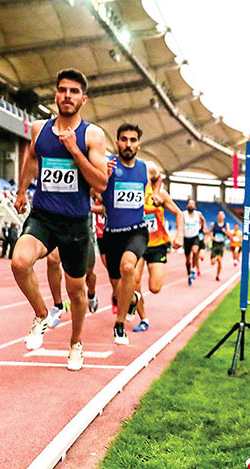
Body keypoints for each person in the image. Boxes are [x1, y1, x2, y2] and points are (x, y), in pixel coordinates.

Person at [12, 68, 108, 371]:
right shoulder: (39, 129)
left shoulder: (92, 135)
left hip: (76, 223)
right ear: (56, 94)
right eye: (62, 90)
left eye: (74, 91)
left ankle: (76, 343)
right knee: (19, 262)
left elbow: (101, 183)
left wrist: (73, 150)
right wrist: (21, 191)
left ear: (83, 99)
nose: (67, 96)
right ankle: (41, 314)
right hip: (43, 216)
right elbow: (31, 159)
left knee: (76, 291)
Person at [101, 122, 159, 345]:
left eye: (133, 140)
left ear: (139, 144)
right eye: (124, 139)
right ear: (117, 142)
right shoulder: (107, 164)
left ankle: (119, 325)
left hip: (137, 231)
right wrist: (103, 180)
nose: (128, 144)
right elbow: (96, 190)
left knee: (128, 268)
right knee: (118, 290)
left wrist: (154, 194)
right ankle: (132, 297)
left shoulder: (146, 167)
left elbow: (157, 178)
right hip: (112, 233)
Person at [131, 162, 184, 333]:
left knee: (154, 288)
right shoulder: (130, 192)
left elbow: (179, 213)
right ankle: (143, 317)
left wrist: (179, 235)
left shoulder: (160, 195)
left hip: (158, 245)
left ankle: (134, 297)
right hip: (137, 243)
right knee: (133, 281)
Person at [182, 199, 207, 286]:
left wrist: (204, 227)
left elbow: (203, 220)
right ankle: (189, 274)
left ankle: (193, 269)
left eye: (192, 204)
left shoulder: (198, 214)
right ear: (187, 205)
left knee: (196, 251)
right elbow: (179, 221)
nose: (191, 205)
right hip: (186, 238)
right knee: (188, 260)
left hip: (195, 237)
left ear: (195, 206)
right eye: (189, 204)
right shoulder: (183, 214)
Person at [209, 211, 230, 281]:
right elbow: (209, 232)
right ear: (217, 216)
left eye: (222, 215)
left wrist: (225, 232)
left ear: (224, 216)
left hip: (221, 245)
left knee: (220, 262)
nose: (220, 216)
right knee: (212, 263)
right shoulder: (213, 224)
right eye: (219, 215)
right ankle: (217, 257)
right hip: (215, 244)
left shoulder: (226, 225)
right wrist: (211, 237)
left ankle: (217, 275)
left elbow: (229, 235)